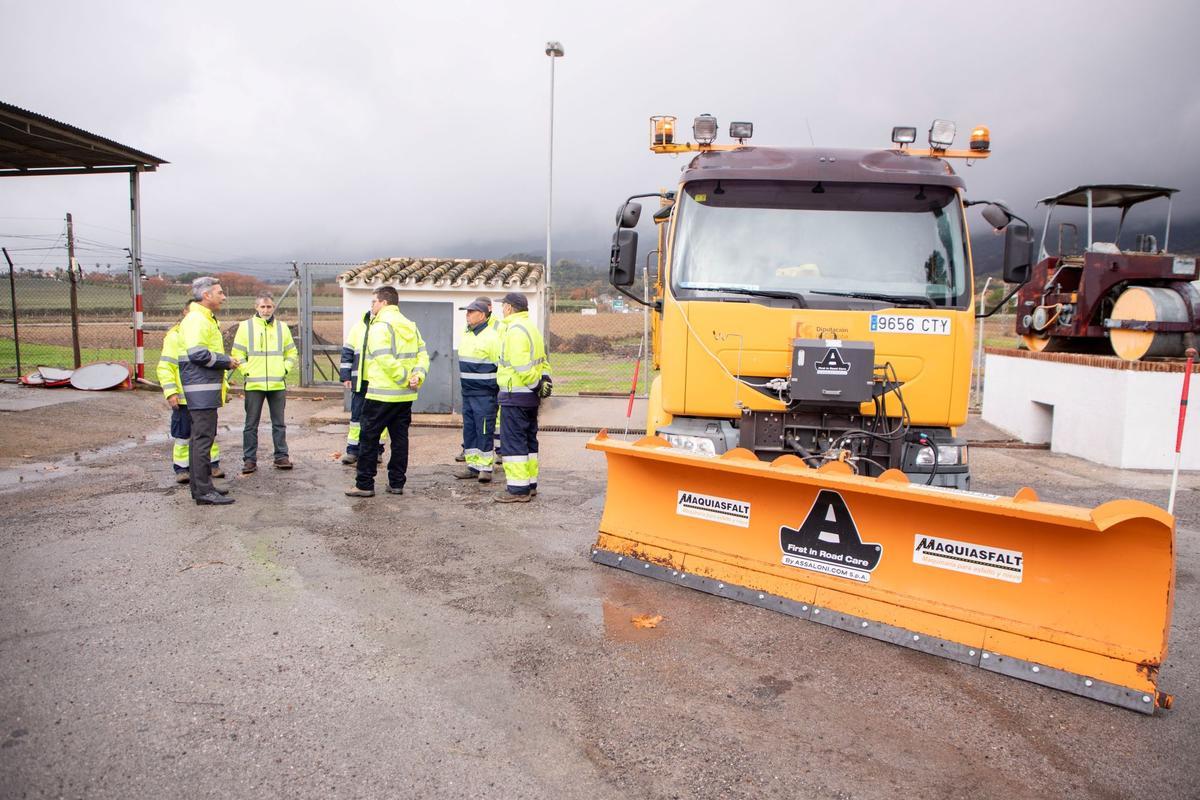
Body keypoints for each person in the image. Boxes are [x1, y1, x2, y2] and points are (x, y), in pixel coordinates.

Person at [345, 286, 429, 498]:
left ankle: (364, 484)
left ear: (384, 302)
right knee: (400, 440)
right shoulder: (411, 326)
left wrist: (402, 378)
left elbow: (383, 358)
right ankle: (396, 483)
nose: (371, 306)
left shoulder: (380, 325)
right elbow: (423, 356)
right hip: (405, 396)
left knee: (369, 438)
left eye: (373, 302)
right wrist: (416, 377)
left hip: (381, 394)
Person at [179, 276, 241, 506]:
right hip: (201, 388)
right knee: (203, 440)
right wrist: (226, 361)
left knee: (200, 440)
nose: (223, 297)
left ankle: (201, 486)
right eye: (220, 292)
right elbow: (198, 354)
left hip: (203, 388)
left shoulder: (203, 317)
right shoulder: (197, 319)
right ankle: (204, 491)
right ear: (207, 295)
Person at [230, 294, 298, 474]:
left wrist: (284, 369)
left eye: (269, 307)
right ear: (256, 307)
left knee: (279, 423)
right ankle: (250, 460)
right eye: (263, 307)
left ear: (273, 307)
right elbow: (237, 353)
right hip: (254, 384)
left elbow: (291, 353)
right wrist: (247, 371)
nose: (266, 310)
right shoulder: (245, 327)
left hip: (277, 384)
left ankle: (281, 456)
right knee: (251, 424)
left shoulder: (282, 328)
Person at [494, 292, 551, 503]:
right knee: (528, 441)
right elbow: (542, 361)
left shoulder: (514, 330)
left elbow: (520, 365)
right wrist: (544, 382)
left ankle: (518, 490)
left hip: (515, 395)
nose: (502, 310)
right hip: (529, 397)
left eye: (503, 306)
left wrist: (535, 384)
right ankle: (530, 484)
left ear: (509, 308)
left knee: (513, 443)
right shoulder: (531, 328)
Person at [157, 302, 221, 484]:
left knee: (208, 433)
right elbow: (165, 367)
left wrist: (223, 391)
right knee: (183, 435)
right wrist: (170, 392)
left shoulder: (208, 332)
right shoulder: (174, 337)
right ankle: (182, 468)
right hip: (184, 397)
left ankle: (212, 464)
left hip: (205, 396)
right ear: (185, 312)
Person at [454, 299, 501, 483]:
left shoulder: (492, 337)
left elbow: (500, 366)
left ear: (482, 315)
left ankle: (485, 468)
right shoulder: (467, 334)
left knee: (484, 430)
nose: (467, 315)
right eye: (466, 312)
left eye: (470, 312)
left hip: (485, 395)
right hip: (468, 393)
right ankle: (473, 466)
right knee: (470, 430)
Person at [339, 307, 387, 465]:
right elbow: (347, 352)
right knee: (356, 417)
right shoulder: (358, 327)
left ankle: (377, 451)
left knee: (380, 417)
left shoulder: (387, 326)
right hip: (361, 381)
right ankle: (352, 450)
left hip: (379, 381)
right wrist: (346, 375)